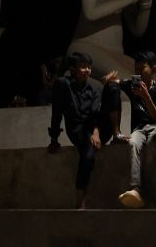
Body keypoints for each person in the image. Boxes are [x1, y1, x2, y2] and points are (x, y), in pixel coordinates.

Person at [104, 51, 156, 209]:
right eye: (136, 69)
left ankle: (147, 190)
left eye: (143, 68)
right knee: (133, 143)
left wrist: (146, 97)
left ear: (153, 69)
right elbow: (116, 83)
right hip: (140, 128)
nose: (139, 72)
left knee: (153, 141)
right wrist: (109, 81)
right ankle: (136, 189)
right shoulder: (131, 85)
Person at [47, 51, 113, 209]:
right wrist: (54, 139)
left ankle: (116, 134)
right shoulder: (63, 84)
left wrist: (96, 133)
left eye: (89, 67)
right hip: (77, 129)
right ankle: (80, 198)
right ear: (72, 69)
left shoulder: (93, 90)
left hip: (96, 129)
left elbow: (96, 116)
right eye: (83, 67)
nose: (87, 71)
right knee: (88, 156)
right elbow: (56, 112)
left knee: (111, 89)